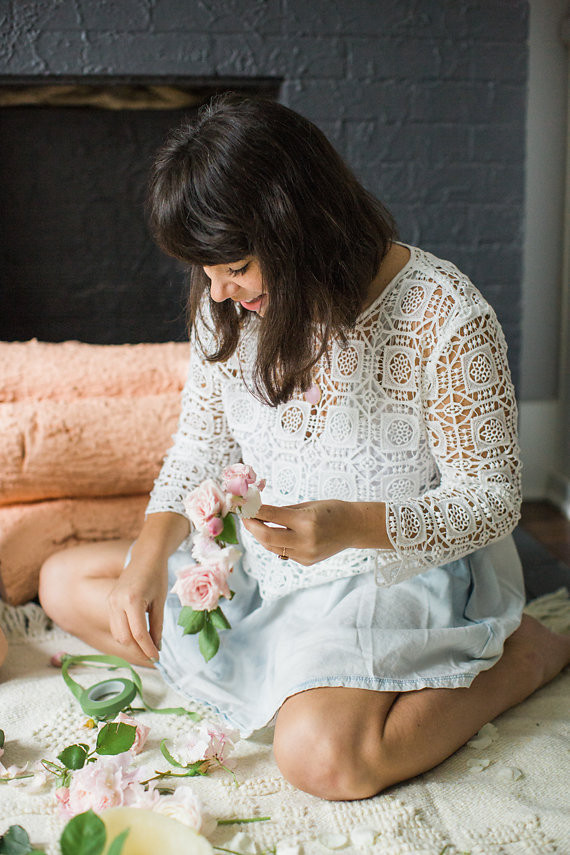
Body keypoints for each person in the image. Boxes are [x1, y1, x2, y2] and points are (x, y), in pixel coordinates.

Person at [39, 94, 570, 802]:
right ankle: (285, 666)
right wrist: (146, 560)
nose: (220, 293)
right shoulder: (226, 306)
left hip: (396, 569)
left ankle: (528, 654)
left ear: (297, 228)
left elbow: (493, 502)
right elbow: (198, 444)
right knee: (66, 584)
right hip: (269, 558)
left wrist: (350, 524)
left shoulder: (444, 315)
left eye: (234, 265)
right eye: (208, 272)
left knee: (321, 759)